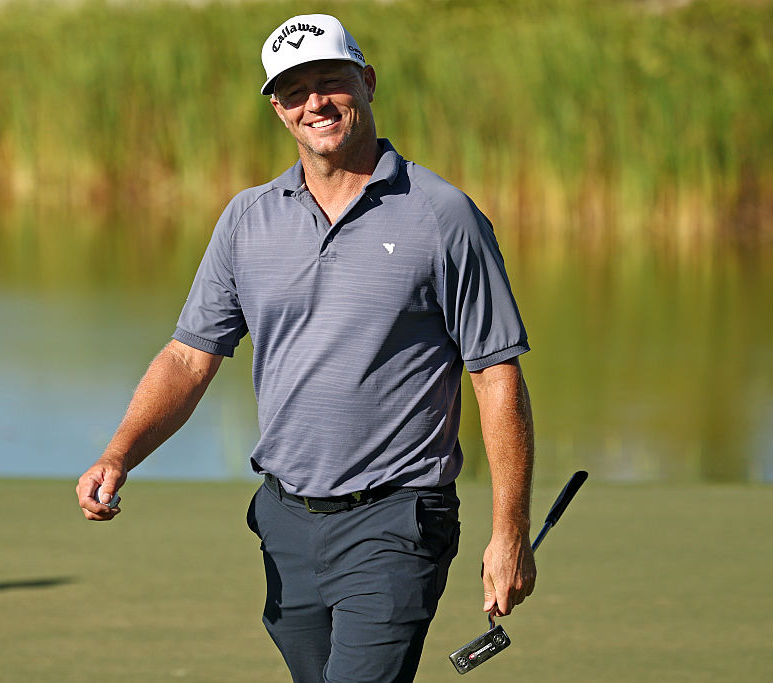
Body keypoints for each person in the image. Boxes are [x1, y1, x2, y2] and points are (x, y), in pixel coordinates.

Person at [76, 13, 535, 682]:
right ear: (276, 107)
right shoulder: (248, 218)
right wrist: (119, 453)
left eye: (331, 81)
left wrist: (509, 530)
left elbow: (496, 374)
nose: (315, 102)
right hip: (286, 521)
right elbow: (188, 356)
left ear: (368, 83)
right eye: (294, 91)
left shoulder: (442, 216)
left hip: (397, 519)